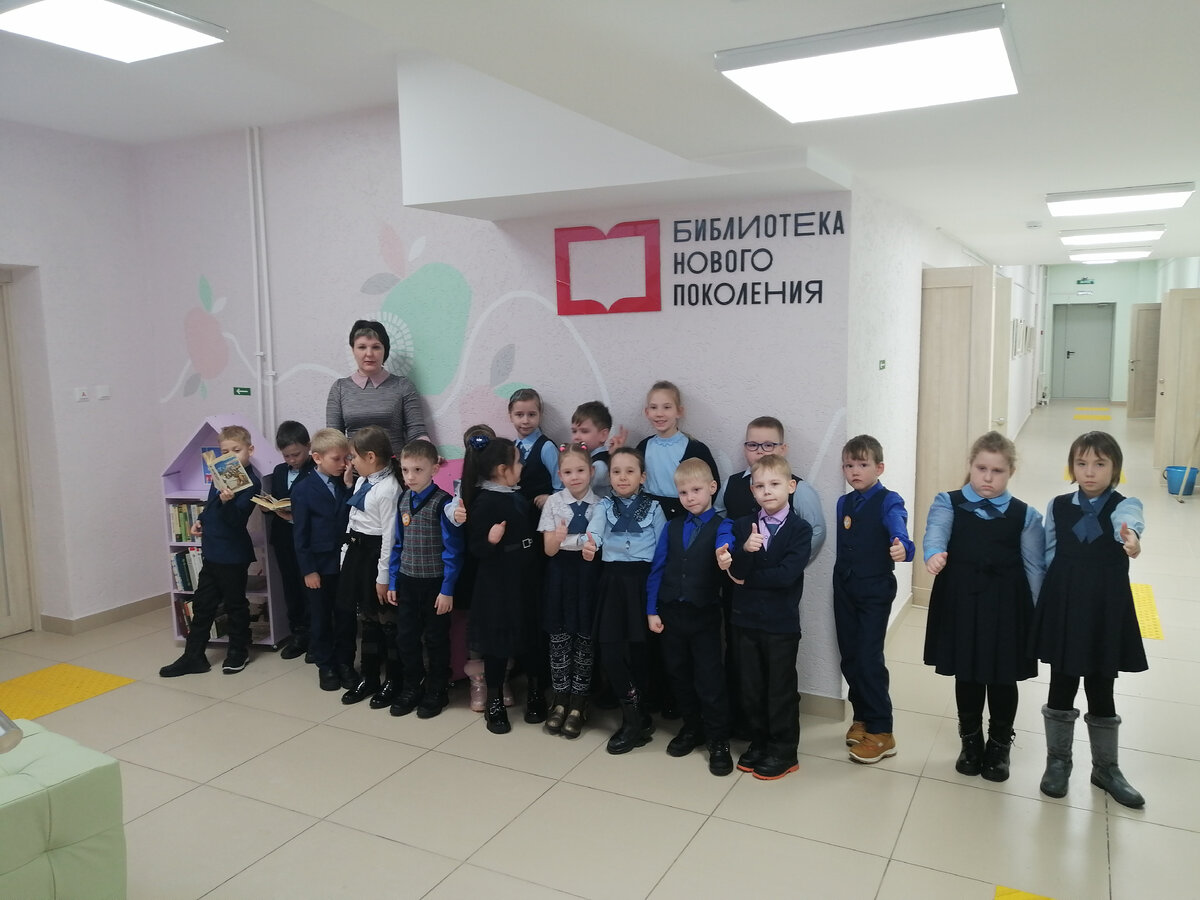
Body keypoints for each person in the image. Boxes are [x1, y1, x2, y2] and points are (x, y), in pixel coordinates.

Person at [1029, 431, 1147, 808]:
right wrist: (1044, 603)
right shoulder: (1059, 506)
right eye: (1081, 464)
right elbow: (1048, 554)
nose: (1090, 472)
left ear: (1115, 468)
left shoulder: (1124, 506)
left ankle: (1106, 768)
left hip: (1103, 611)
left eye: (1099, 464)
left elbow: (1129, 522)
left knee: (1101, 684)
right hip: (1065, 606)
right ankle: (1058, 761)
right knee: (1061, 681)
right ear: (1072, 467)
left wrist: (1132, 540)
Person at [923, 431, 1045, 782]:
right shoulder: (948, 502)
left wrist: (1039, 616)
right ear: (971, 466)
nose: (988, 478)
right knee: (968, 673)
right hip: (962, 603)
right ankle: (971, 741)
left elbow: (1035, 566)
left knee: (1003, 677)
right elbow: (936, 533)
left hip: (1007, 607)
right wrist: (934, 554)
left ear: (1010, 472)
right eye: (981, 469)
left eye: (997, 471)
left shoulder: (1025, 515)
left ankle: (1000, 744)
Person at [716, 454, 812, 781]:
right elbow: (734, 571)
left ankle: (784, 749)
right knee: (751, 686)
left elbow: (785, 575)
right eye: (759, 486)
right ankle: (759, 742)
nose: (767, 491)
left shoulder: (800, 529)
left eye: (774, 484)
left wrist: (746, 578)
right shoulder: (743, 525)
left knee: (779, 688)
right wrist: (745, 551)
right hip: (744, 620)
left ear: (791, 486)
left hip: (780, 624)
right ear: (752, 491)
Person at [833, 434, 916, 764]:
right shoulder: (844, 503)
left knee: (869, 658)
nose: (854, 471)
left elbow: (898, 526)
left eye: (862, 464)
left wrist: (902, 545)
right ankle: (863, 716)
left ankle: (882, 731)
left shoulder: (889, 500)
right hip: (845, 587)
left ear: (879, 468)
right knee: (850, 656)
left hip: (874, 589)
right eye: (848, 465)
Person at [646, 459, 732, 776]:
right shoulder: (672, 527)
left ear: (712, 488)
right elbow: (657, 569)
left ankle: (718, 738)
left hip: (703, 615)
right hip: (671, 614)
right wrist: (652, 609)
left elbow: (726, 544)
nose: (690, 497)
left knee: (710, 679)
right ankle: (692, 727)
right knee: (679, 674)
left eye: (696, 490)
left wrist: (724, 553)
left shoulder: (723, 525)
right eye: (683, 492)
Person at [582, 447, 668, 753]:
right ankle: (632, 715)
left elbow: (663, 550)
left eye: (630, 471)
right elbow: (594, 533)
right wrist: (590, 546)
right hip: (613, 582)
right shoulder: (604, 506)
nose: (622, 477)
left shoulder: (655, 508)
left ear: (642, 477)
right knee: (610, 650)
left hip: (643, 583)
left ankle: (638, 720)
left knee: (640, 653)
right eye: (616, 471)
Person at [160, 425, 262, 677]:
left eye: (236, 450)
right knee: (203, 604)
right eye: (225, 452)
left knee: (235, 604)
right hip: (212, 550)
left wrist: (227, 502)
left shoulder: (250, 483)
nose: (230, 456)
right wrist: (201, 520)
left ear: (249, 450)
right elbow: (212, 505)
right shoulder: (220, 474)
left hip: (232, 554)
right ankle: (193, 656)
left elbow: (236, 520)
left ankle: (238, 651)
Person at [462, 434, 539, 734]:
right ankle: (494, 700)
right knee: (497, 644)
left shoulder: (517, 494)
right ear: (502, 469)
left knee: (529, 636)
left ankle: (534, 692)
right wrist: (490, 540)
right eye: (518, 462)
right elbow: (475, 548)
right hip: (497, 585)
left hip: (524, 579)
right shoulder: (485, 501)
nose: (522, 467)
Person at [385, 439, 463, 718]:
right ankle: (412, 686)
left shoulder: (444, 503)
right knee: (406, 637)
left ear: (434, 469)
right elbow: (398, 543)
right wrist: (393, 580)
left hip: (434, 584)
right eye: (405, 470)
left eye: (418, 470)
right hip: (407, 581)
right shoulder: (403, 500)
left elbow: (453, 550)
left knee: (436, 639)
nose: (410, 476)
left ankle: (437, 688)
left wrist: (447, 589)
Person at [538, 443, 601, 738]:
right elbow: (549, 550)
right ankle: (560, 699)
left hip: (588, 574)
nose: (574, 477)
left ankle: (579, 702)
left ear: (591, 472)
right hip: (560, 574)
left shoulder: (600, 505)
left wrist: (580, 544)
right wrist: (559, 537)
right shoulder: (553, 503)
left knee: (585, 637)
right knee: (560, 636)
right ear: (560, 474)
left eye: (580, 470)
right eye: (567, 472)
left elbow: (599, 544)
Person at [338, 426, 402, 707]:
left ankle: (394, 680)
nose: (351, 462)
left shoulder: (388, 489)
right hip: (357, 553)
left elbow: (390, 536)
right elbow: (353, 518)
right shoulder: (364, 480)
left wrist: (383, 576)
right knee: (366, 619)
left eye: (353, 456)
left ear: (371, 456)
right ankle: (370, 676)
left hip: (376, 557)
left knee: (386, 622)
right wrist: (345, 555)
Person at [289, 428, 355, 691]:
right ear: (317, 458)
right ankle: (326, 665)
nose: (343, 464)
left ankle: (345, 663)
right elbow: (300, 535)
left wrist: (349, 487)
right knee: (320, 618)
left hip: (343, 564)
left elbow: (350, 515)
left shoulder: (344, 483)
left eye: (346, 458)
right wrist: (308, 570)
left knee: (345, 616)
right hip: (318, 567)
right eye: (336, 459)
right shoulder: (302, 489)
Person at [718, 416, 825, 563]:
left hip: (782, 572)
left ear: (782, 449)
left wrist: (793, 563)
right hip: (737, 571)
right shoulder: (730, 484)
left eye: (768, 445)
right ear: (745, 449)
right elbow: (719, 522)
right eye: (753, 445)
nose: (760, 451)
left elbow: (817, 532)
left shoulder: (800, 489)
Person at [326, 319, 428, 453]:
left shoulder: (403, 386)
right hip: (354, 465)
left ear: (385, 350)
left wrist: (427, 454)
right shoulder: (339, 388)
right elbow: (333, 439)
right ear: (353, 350)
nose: (369, 353)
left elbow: (417, 432)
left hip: (395, 464)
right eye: (362, 347)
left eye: (376, 347)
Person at [633, 381, 718, 520]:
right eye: (654, 407)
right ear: (647, 412)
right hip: (648, 516)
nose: (659, 413)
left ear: (679, 411)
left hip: (683, 516)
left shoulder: (695, 448)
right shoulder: (642, 447)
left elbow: (712, 486)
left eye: (667, 407)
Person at [268, 420, 315, 662]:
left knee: (310, 587)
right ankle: (298, 633)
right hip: (283, 537)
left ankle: (314, 635)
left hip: (308, 539)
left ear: (308, 446)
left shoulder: (317, 470)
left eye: (296, 454)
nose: (292, 460)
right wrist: (269, 507)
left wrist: (295, 514)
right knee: (290, 586)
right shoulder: (279, 471)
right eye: (286, 456)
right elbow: (277, 498)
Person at [508, 388, 561, 512]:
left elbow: (561, 485)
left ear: (540, 415)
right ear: (510, 416)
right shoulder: (510, 448)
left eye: (531, 415)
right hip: (518, 514)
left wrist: (552, 499)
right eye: (519, 415)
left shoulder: (547, 448)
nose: (525, 421)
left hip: (541, 515)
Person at [570, 400, 617, 495]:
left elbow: (578, 492)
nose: (576, 437)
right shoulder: (588, 458)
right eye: (574, 431)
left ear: (603, 435)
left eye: (584, 431)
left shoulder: (599, 465)